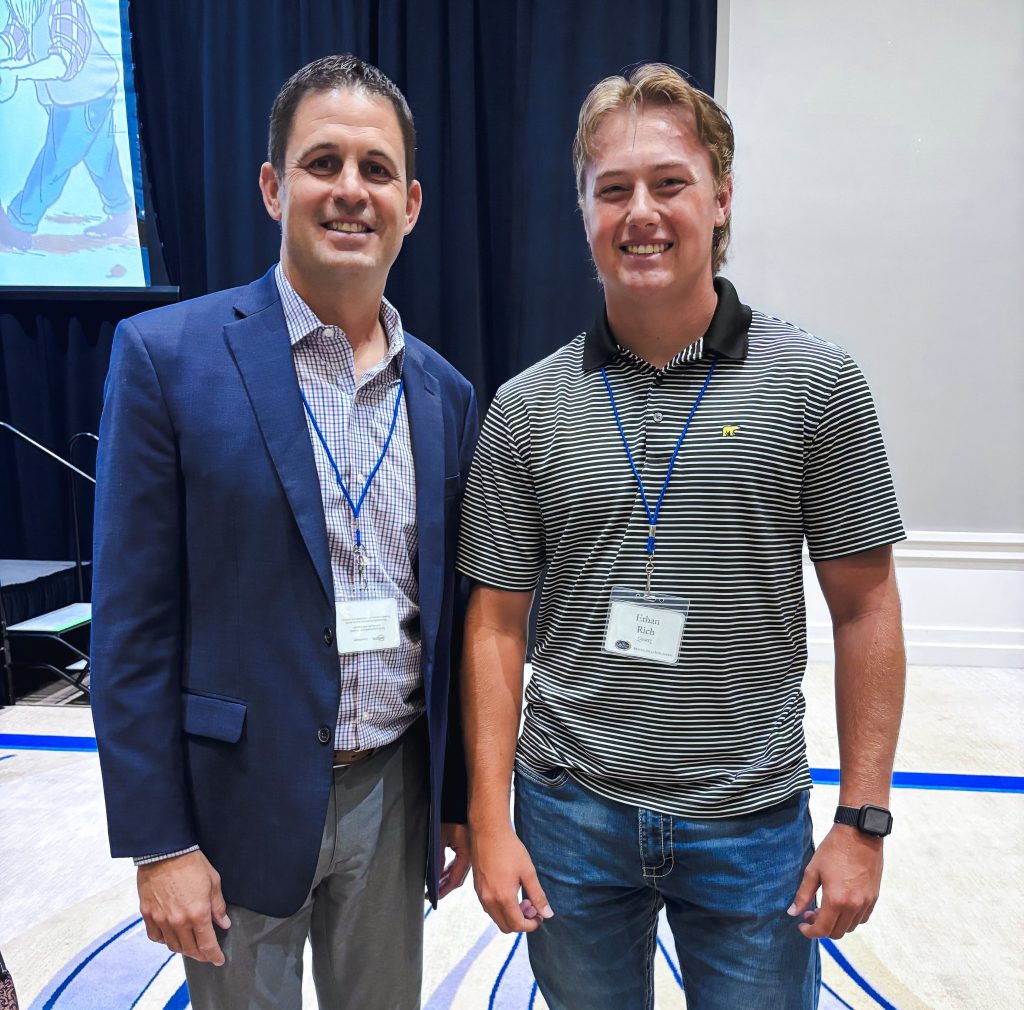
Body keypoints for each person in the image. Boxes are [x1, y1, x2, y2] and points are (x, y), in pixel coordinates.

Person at [457, 63, 905, 1010]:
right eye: (611, 190)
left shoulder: (815, 385)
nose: (641, 213)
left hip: (749, 825)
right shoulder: (526, 407)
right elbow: (496, 625)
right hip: (569, 815)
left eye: (669, 183)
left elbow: (865, 608)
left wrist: (862, 822)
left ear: (722, 197)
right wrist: (490, 820)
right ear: (582, 211)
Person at [91, 54, 477, 1010]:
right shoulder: (166, 359)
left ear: (412, 203)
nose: (351, 191)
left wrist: (460, 802)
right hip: (232, 807)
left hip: (394, 798)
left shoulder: (445, 391)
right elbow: (131, 627)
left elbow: (457, 620)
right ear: (273, 186)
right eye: (323, 163)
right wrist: (160, 842)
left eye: (376, 170)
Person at [0, 0, 135, 250]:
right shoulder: (27, 8)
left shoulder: (63, 5)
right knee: (101, 159)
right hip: (81, 95)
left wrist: (17, 72)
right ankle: (121, 213)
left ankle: (20, 224)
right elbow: (13, 38)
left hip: (83, 98)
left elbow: (64, 61)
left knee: (55, 161)